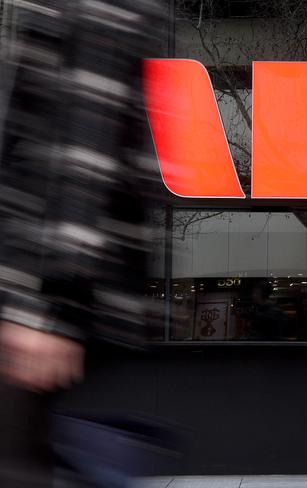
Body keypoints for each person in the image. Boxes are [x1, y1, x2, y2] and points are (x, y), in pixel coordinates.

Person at [0, 1, 163, 486]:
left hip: (39, 290)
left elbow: (84, 151)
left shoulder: (97, 7)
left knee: (16, 463)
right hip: (33, 280)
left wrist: (48, 308)